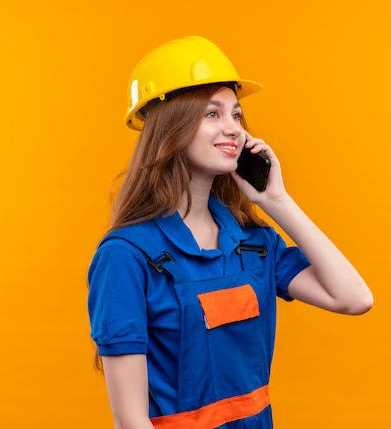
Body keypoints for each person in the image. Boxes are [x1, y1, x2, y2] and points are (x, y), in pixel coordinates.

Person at [87, 35, 373, 429]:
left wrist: (277, 202)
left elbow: (354, 298)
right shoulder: (127, 256)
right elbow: (130, 422)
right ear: (171, 127)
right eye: (212, 114)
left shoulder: (253, 244)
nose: (234, 129)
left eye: (237, 116)